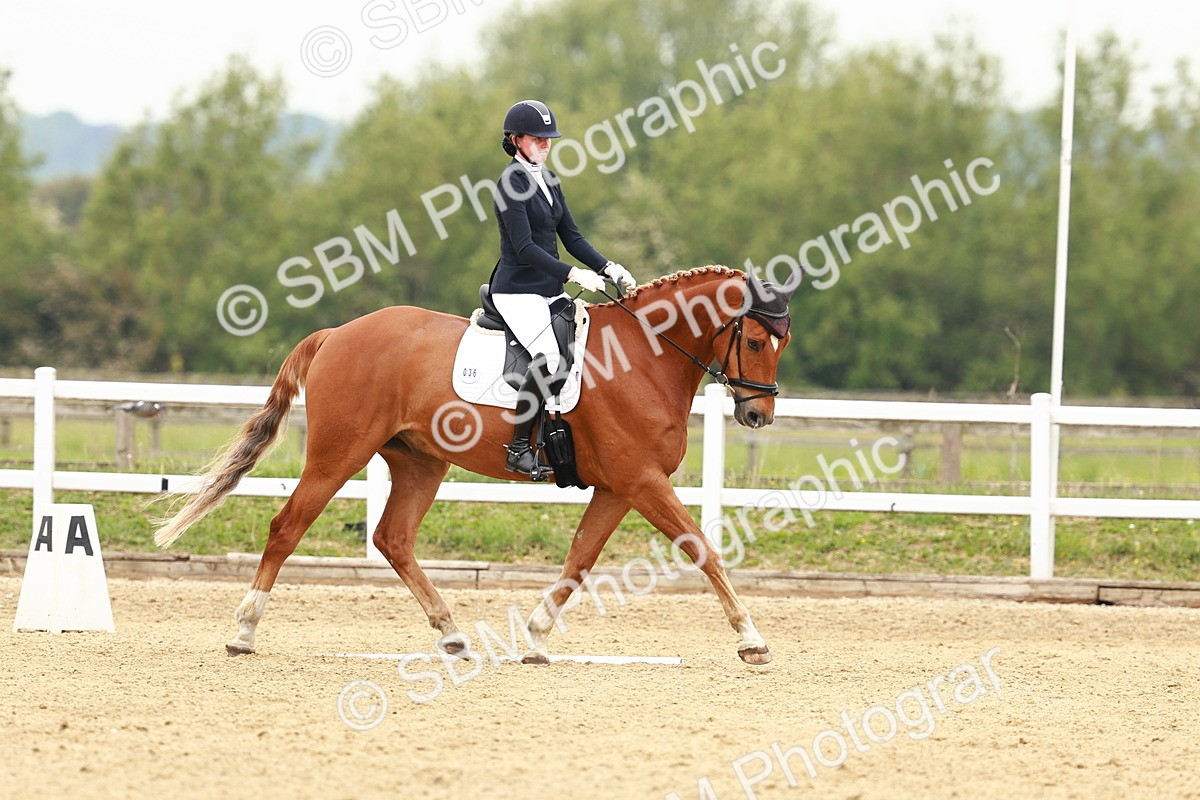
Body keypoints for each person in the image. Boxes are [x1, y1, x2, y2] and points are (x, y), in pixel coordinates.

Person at [491, 99, 637, 475]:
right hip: (518, 291)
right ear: (515, 140)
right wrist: (573, 275)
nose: (545, 143)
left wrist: (608, 267)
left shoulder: (550, 179)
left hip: (549, 289)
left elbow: (571, 236)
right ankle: (518, 449)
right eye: (536, 138)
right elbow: (525, 248)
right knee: (550, 358)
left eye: (548, 138)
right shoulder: (509, 184)